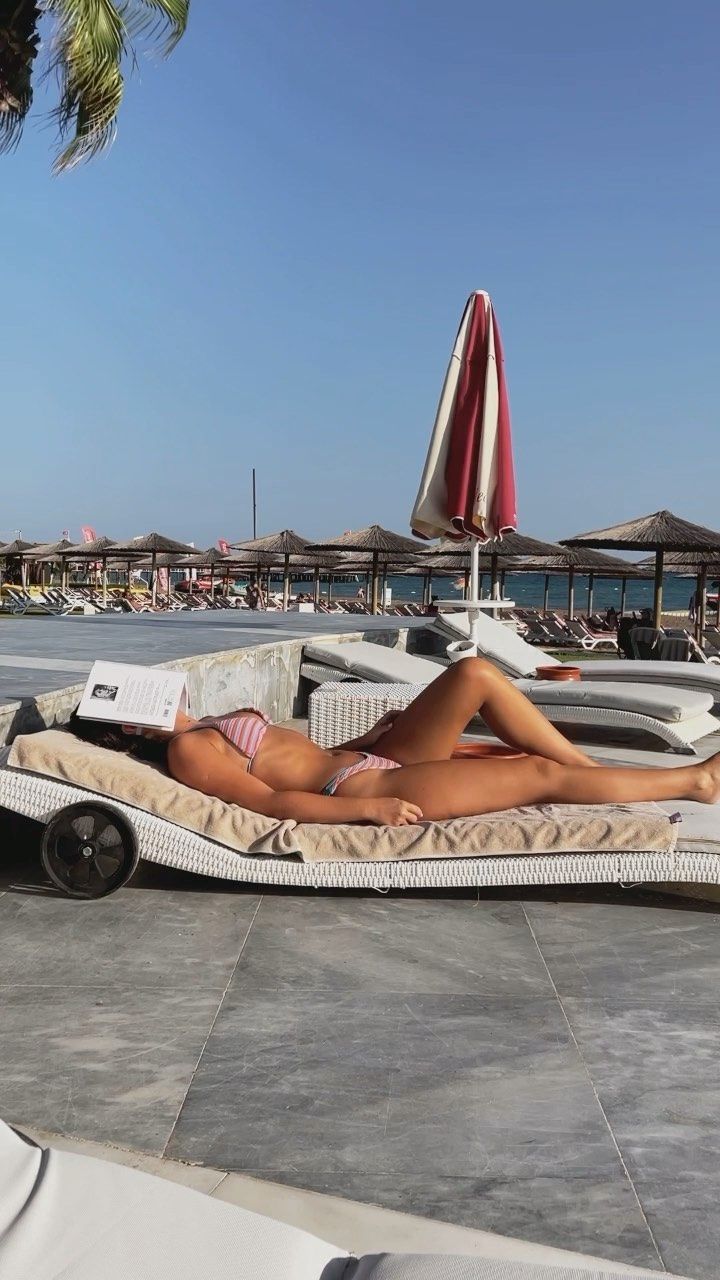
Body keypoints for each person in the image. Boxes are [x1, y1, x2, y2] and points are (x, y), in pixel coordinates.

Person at [67, 658, 720, 826]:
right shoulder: (187, 751)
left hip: (372, 755)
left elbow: (292, 758)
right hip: (363, 785)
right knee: (533, 773)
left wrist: (367, 736)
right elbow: (269, 804)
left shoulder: (202, 727)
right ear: (131, 725)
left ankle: (588, 767)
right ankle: (697, 781)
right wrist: (367, 809)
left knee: (474, 674)